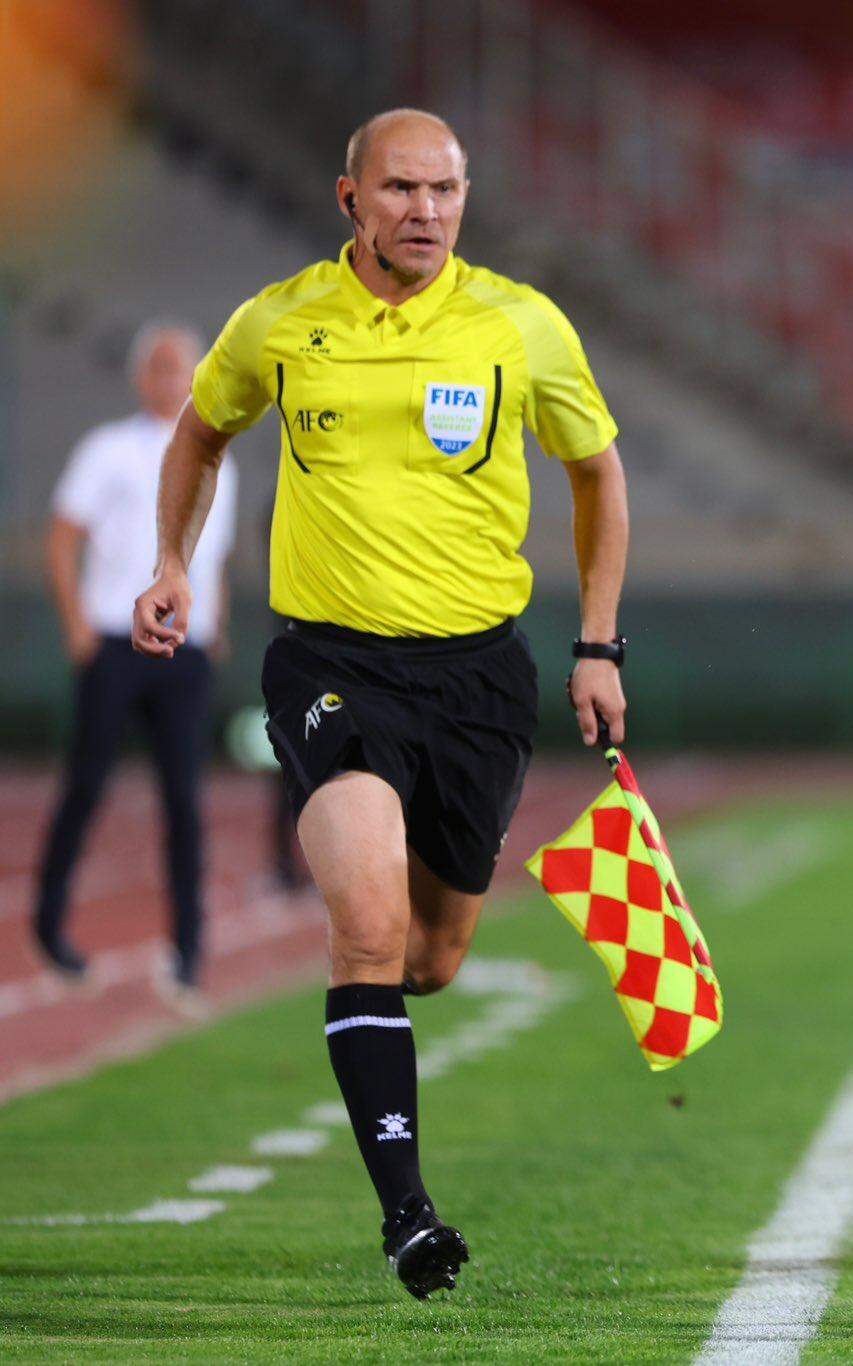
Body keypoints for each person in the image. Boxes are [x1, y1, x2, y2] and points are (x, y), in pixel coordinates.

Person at [131, 108, 631, 1301]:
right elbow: (200, 434)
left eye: (446, 189)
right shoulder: (280, 319)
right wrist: (172, 562)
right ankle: (409, 1216)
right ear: (349, 197)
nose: (426, 210)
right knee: (362, 925)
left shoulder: (519, 323)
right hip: (330, 666)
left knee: (430, 957)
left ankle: (382, 1020)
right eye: (402, 189)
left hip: (478, 677)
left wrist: (598, 641)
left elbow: (596, 472)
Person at [36, 322, 236, 997]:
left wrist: (216, 625)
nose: (171, 378)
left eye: (183, 367)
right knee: (85, 787)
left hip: (185, 651)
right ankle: (48, 926)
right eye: (160, 366)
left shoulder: (219, 458)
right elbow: (63, 538)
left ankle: (188, 952)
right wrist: (75, 628)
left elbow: (212, 557)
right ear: (139, 376)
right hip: (114, 644)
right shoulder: (107, 450)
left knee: (184, 801)